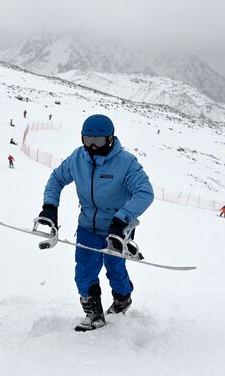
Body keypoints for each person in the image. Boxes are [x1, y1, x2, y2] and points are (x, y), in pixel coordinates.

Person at [38, 114, 154, 332]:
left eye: (98, 142)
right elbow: (56, 179)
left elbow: (145, 193)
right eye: (87, 140)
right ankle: (94, 314)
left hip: (117, 229)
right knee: (84, 271)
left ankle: (122, 299)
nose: (92, 146)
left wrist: (122, 219)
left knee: (115, 268)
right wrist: (50, 207)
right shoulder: (78, 158)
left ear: (110, 140)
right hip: (87, 227)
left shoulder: (126, 163)